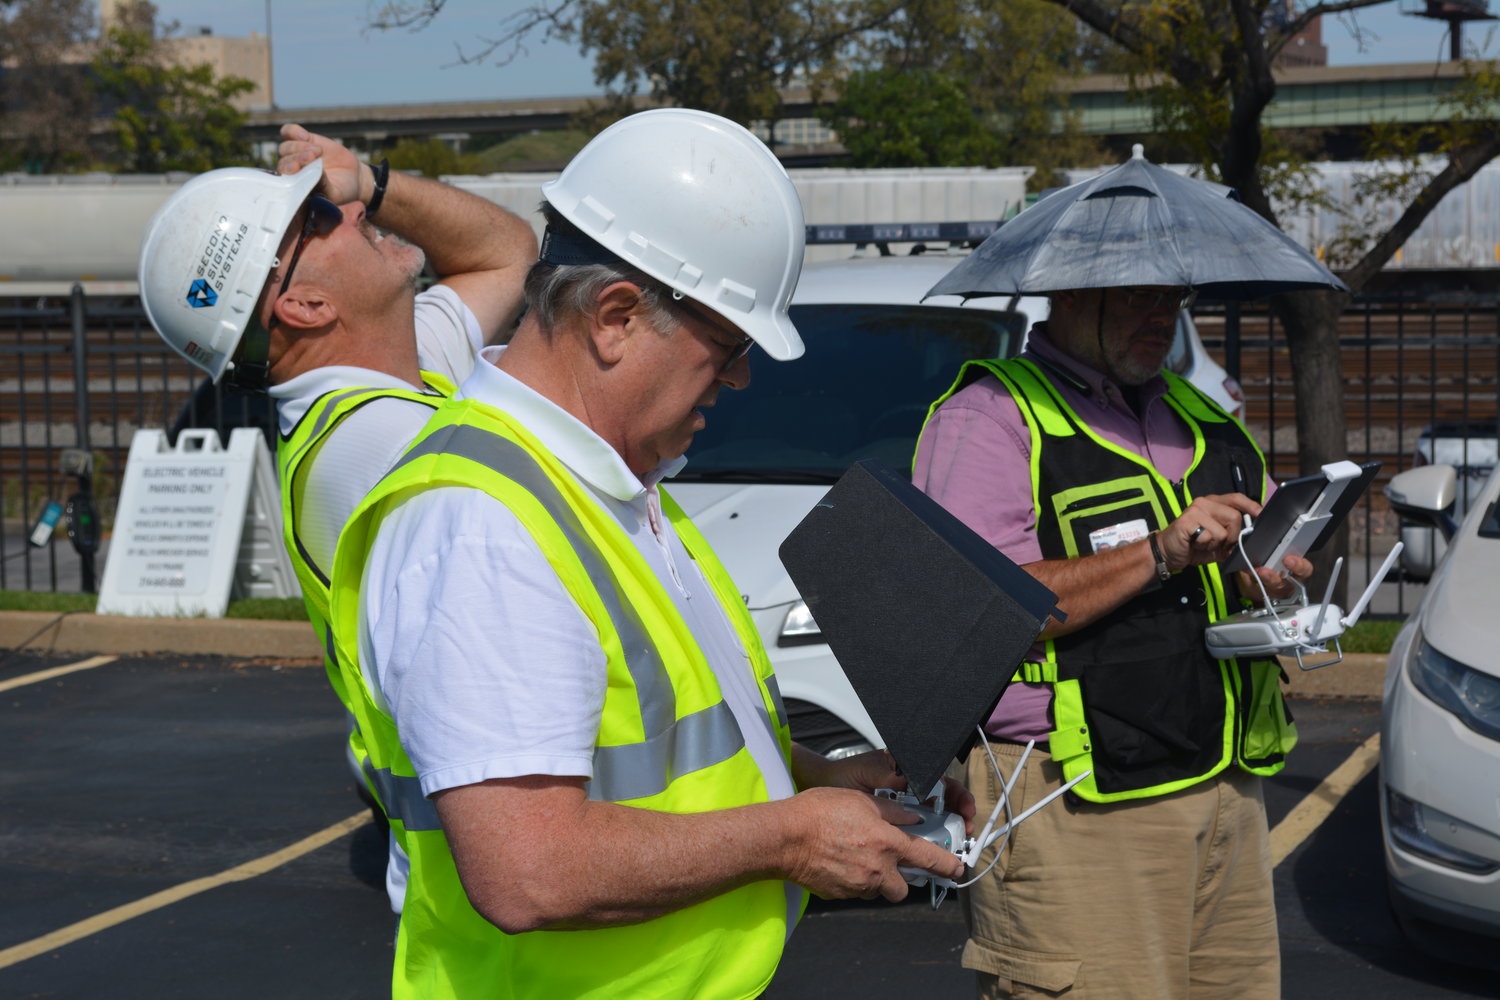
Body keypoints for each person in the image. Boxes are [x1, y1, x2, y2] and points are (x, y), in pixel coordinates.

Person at [324, 108, 973, 999]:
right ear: (617, 317)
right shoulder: (480, 522)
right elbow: (528, 870)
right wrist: (791, 835)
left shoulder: (609, 485)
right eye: (730, 346)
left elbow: (655, 758)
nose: (741, 378)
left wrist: (823, 782)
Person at [137, 126, 537, 898]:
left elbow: (508, 253)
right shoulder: (377, 449)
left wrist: (372, 184)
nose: (346, 212)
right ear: (306, 304)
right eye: (320, 217)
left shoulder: (398, 373)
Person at [914, 284, 1314, 999]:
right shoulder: (989, 418)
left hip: (1224, 786)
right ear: (1069, 295)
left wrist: (1267, 578)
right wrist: (1158, 551)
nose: (1163, 316)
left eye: (1175, 297)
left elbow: (1249, 560)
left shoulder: (1199, 415)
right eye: (1137, 298)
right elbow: (978, 606)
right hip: (1070, 803)